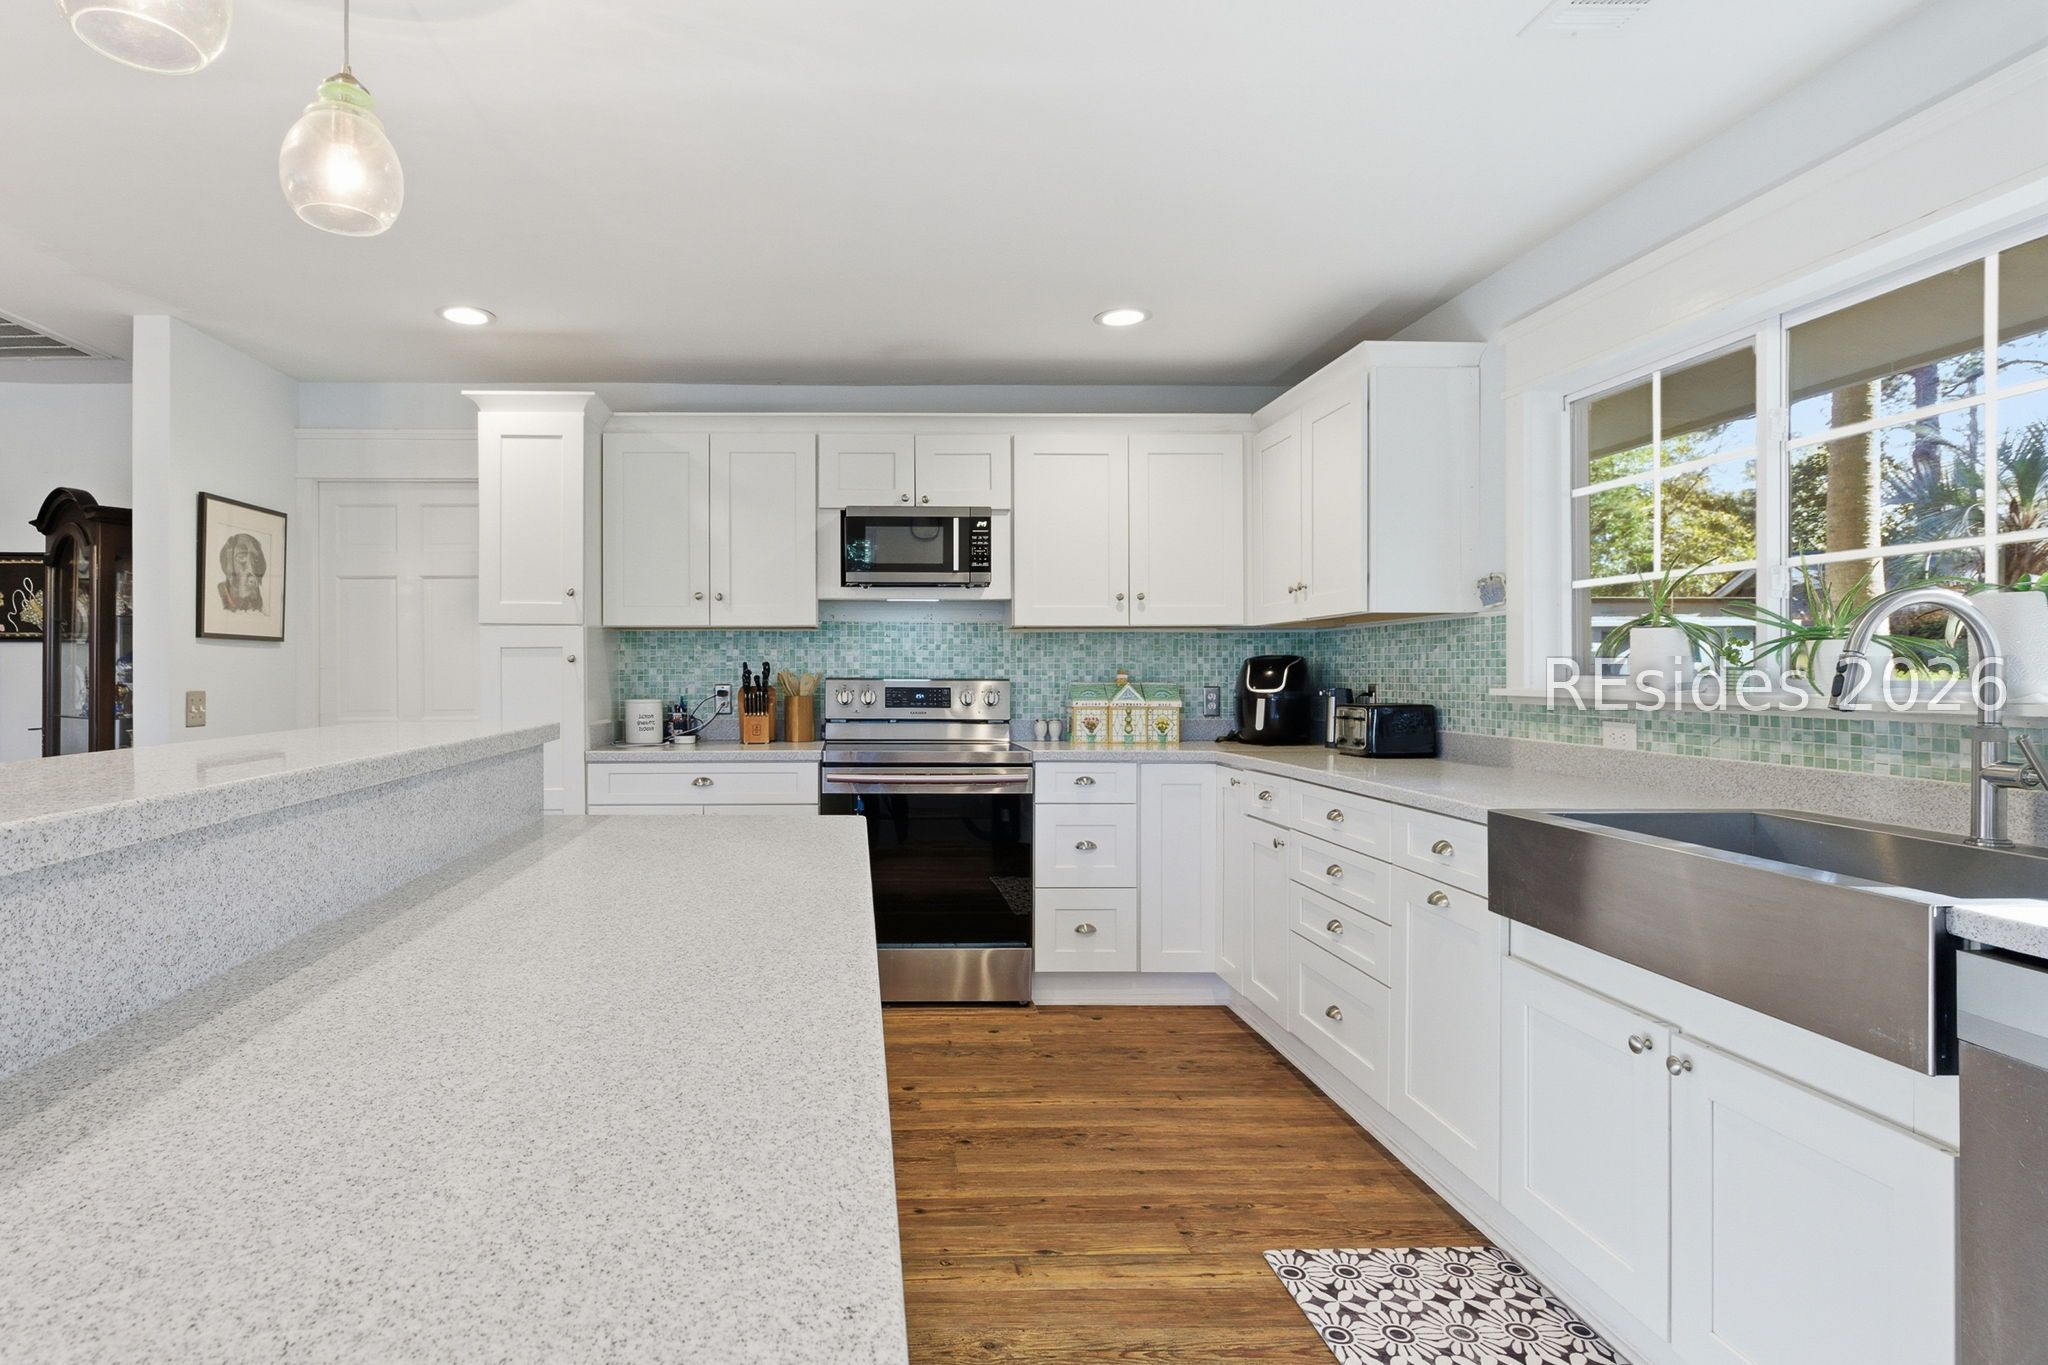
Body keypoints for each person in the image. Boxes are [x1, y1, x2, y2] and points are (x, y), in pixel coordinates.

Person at [217, 532, 266, 614]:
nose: (251, 569)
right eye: (241, 557)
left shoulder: (259, 607)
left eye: (256, 560)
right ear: (229, 563)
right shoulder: (217, 599)